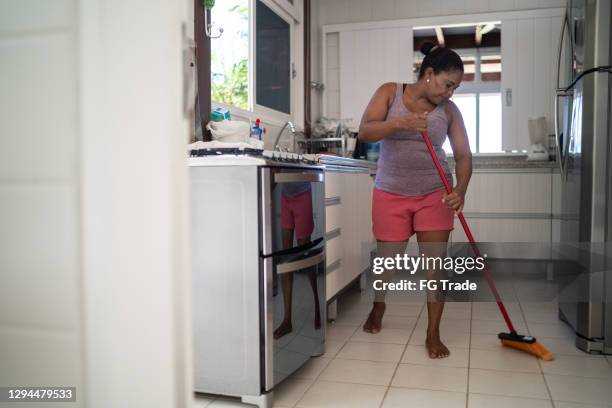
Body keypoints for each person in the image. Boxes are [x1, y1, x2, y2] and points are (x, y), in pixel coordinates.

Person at [358, 42, 472, 358]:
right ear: (429, 73)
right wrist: (400, 123)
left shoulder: (449, 112)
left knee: (435, 267)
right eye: (448, 84)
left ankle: (433, 333)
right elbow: (365, 131)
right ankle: (379, 305)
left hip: (434, 193)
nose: (450, 93)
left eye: (455, 88)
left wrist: (460, 190)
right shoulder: (390, 93)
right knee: (387, 264)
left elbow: (463, 155)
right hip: (390, 192)